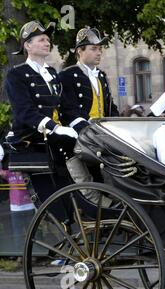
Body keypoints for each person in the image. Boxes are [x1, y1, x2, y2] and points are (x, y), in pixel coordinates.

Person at [5, 20, 78, 205]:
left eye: (48, 39)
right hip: (34, 141)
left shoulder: (52, 73)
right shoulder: (17, 74)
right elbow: (24, 111)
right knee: (52, 200)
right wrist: (54, 127)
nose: (47, 43)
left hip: (57, 141)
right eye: (42, 39)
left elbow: (63, 106)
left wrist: (80, 124)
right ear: (27, 45)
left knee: (70, 190)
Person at [59, 27, 119, 133]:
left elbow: (110, 106)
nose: (99, 53)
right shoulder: (68, 75)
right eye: (94, 49)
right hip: (81, 135)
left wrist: (117, 125)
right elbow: (69, 110)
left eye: (100, 49)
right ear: (79, 51)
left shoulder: (101, 76)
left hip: (104, 133)